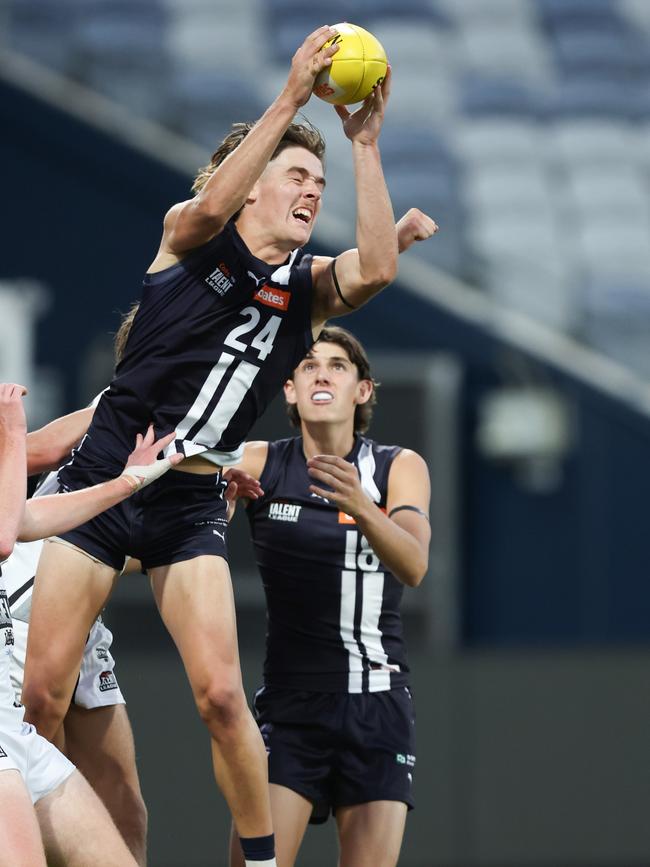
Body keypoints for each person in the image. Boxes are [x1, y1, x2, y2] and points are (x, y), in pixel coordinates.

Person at [21, 24, 414, 866]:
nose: (312, 191)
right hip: (103, 478)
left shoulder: (304, 292)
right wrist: (292, 99)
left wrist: (364, 146)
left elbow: (376, 268)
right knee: (41, 696)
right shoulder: (193, 240)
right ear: (251, 190)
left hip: (189, 498)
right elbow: (206, 205)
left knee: (224, 698)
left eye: (318, 179)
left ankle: (262, 861)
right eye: (296, 176)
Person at [227, 326, 431, 867]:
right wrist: (215, 508)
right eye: (308, 364)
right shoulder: (259, 464)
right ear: (290, 389)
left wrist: (363, 506)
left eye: (338, 366)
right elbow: (180, 503)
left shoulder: (396, 466)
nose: (321, 373)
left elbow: (413, 564)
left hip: (378, 704)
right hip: (292, 706)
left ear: (362, 391)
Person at [0, 381, 180, 867]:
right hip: (24, 625)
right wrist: (13, 431)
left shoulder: (211, 408)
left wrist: (128, 483)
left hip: (29, 695)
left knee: (125, 824)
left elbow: (30, 519)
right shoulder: (119, 400)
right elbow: (7, 531)